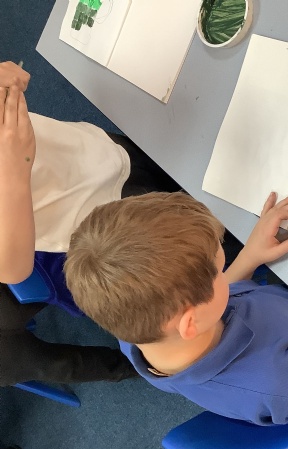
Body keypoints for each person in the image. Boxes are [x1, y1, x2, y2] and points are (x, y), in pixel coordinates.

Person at [64, 190, 288, 425]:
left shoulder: (139, 336)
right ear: (190, 322)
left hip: (286, 313)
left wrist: (250, 255)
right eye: (218, 269)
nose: (224, 266)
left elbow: (210, 303)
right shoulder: (279, 379)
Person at [0, 60, 187, 387]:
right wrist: (16, 169)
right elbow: (12, 269)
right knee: (193, 251)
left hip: (88, 154)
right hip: (92, 219)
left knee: (166, 174)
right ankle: (149, 361)